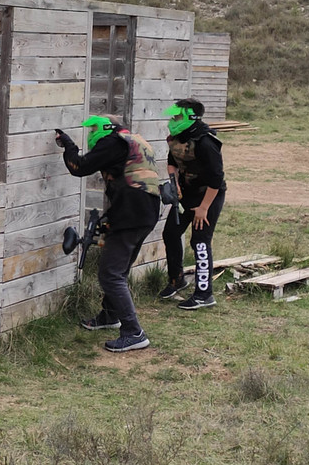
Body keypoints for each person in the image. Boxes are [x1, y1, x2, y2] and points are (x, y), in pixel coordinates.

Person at [55, 115, 161, 352]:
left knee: (110, 274)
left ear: (106, 128)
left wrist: (69, 146)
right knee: (118, 270)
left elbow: (79, 167)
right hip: (144, 212)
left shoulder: (112, 141)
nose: (92, 133)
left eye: (93, 128)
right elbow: (130, 184)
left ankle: (134, 332)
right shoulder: (133, 141)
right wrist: (110, 219)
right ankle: (110, 316)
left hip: (132, 214)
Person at [158, 98, 227, 309]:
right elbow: (172, 161)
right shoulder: (179, 137)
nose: (173, 120)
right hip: (186, 193)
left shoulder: (206, 142)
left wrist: (204, 208)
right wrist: (174, 182)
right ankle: (177, 279)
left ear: (191, 117)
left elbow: (217, 179)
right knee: (170, 233)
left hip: (209, 196)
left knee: (200, 242)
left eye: (177, 116)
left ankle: (204, 294)